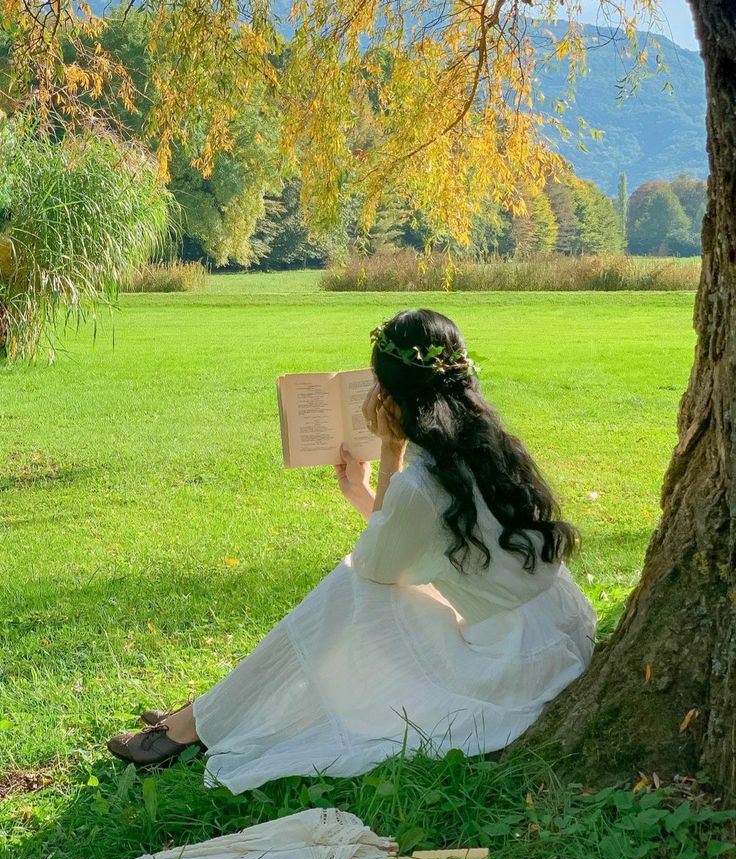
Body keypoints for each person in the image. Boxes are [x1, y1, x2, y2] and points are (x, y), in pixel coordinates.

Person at [107, 308, 596, 793]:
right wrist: (365, 496)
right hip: (561, 630)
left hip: (513, 668)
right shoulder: (489, 446)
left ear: (391, 396)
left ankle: (193, 724)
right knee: (357, 582)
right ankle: (212, 710)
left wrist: (389, 452)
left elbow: (374, 568)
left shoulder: (424, 480)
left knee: (347, 586)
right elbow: (418, 542)